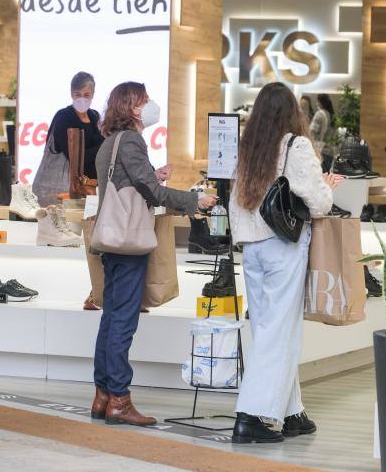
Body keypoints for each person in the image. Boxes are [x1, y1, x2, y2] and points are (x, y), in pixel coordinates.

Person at [90, 82, 217, 426]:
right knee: (123, 321)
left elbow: (130, 184)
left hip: (111, 240)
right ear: (131, 107)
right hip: (129, 242)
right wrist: (194, 200)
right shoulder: (132, 140)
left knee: (111, 317)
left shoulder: (109, 142)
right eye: (144, 100)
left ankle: (103, 395)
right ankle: (120, 399)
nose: (150, 105)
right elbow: (152, 192)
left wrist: (152, 177)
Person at [228, 82, 341, 444]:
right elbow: (319, 203)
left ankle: (292, 413)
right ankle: (249, 416)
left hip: (252, 249)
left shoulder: (249, 147)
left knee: (268, 329)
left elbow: (236, 200)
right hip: (282, 246)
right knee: (279, 332)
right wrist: (328, 186)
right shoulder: (296, 145)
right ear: (292, 111)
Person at [50, 71, 104, 179]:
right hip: (63, 184)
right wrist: (104, 147)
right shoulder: (63, 117)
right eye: (78, 94)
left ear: (93, 94)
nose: (82, 99)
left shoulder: (95, 116)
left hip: (91, 184)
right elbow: (75, 158)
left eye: (86, 95)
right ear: (71, 94)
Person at [313, 93, 335, 170]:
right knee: (327, 174)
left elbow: (313, 131)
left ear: (320, 102)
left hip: (320, 151)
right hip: (330, 150)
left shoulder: (319, 114)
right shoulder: (331, 114)